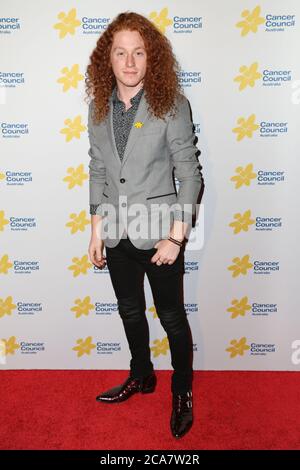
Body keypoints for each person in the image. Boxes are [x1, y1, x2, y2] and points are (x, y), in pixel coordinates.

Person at [85, 11, 203, 439]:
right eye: (121, 53)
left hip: (160, 237)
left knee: (171, 317)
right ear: (108, 60)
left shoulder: (172, 105)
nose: (130, 62)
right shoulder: (99, 108)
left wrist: (177, 235)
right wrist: (96, 228)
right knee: (130, 311)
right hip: (117, 233)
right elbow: (99, 170)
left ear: (150, 58)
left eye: (138, 52)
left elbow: (190, 174)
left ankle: (182, 392)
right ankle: (142, 374)